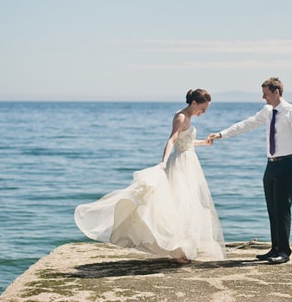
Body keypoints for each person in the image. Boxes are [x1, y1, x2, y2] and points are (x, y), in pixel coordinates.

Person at [75, 89, 226, 263]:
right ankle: (177, 251)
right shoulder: (181, 117)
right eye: (203, 108)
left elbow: (187, 143)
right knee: (179, 203)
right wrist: (163, 162)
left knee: (189, 204)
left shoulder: (189, 117)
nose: (204, 112)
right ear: (194, 103)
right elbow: (172, 140)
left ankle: (182, 247)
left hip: (190, 162)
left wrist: (204, 143)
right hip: (181, 164)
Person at [208, 77, 292, 265]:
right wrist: (221, 134)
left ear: (276, 92)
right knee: (272, 208)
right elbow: (246, 124)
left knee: (282, 208)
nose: (264, 98)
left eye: (266, 94)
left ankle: (284, 251)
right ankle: (275, 248)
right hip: (271, 164)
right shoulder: (268, 111)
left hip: (288, 163)